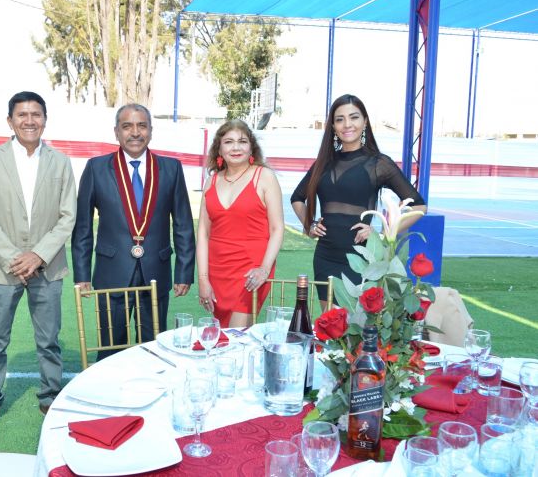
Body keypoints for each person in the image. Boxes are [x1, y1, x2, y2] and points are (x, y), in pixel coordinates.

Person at [0, 91, 76, 436]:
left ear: (45, 119)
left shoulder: (61, 162)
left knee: (49, 339)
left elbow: (68, 216)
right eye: (22, 114)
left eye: (36, 114)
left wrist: (38, 255)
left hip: (48, 266)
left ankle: (50, 396)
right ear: (10, 120)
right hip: (3, 268)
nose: (29, 120)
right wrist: (14, 258)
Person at [71, 103, 195, 358]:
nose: (135, 132)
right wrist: (82, 274)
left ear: (151, 131)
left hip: (156, 271)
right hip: (111, 272)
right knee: (110, 348)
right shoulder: (96, 167)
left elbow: (183, 224)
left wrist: (184, 272)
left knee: (154, 348)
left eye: (142, 126)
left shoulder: (171, 168)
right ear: (116, 132)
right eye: (127, 126)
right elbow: (83, 226)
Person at [291, 94, 427, 309]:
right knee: (331, 322)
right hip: (326, 257)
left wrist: (382, 233)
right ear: (333, 126)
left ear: (365, 121)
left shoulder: (379, 163)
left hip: (363, 258)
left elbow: (419, 206)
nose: (347, 124)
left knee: (358, 323)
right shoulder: (323, 163)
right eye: (340, 119)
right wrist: (309, 225)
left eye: (354, 117)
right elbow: (297, 198)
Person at [196, 120, 284, 328]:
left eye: (242, 141)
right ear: (219, 149)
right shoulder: (211, 181)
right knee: (223, 334)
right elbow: (203, 234)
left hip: (251, 270)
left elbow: (277, 229)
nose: (236, 147)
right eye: (228, 142)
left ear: (251, 148)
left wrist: (264, 269)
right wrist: (203, 279)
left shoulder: (264, 177)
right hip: (217, 270)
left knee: (237, 334)